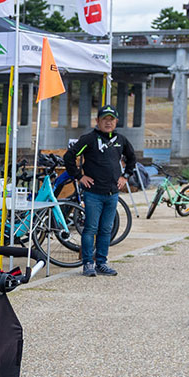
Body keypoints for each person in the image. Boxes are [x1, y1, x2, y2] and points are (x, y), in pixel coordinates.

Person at [63, 104, 136, 277]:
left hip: (112, 193)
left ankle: (101, 262)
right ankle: (88, 263)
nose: (108, 123)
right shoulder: (88, 139)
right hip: (93, 193)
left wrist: (125, 176)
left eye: (111, 119)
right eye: (104, 119)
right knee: (90, 229)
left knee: (106, 229)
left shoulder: (121, 140)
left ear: (116, 121)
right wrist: (79, 176)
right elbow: (69, 156)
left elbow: (132, 158)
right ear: (98, 121)